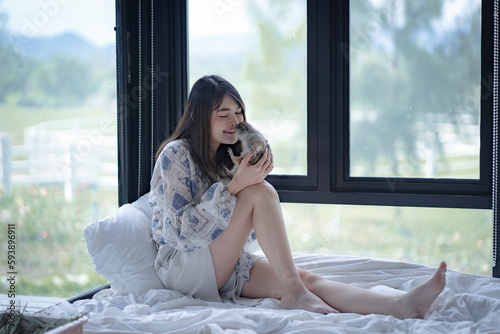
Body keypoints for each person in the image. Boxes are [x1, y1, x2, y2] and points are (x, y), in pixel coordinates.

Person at [149, 75, 447, 318]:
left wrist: (247, 171)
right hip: (184, 266)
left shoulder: (225, 156)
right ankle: (293, 291)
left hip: (220, 264)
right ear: (201, 117)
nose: (234, 120)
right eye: (223, 113)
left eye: (238, 112)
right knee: (260, 193)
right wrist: (236, 187)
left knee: (303, 280)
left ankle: (402, 306)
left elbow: (241, 228)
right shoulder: (176, 154)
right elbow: (179, 232)